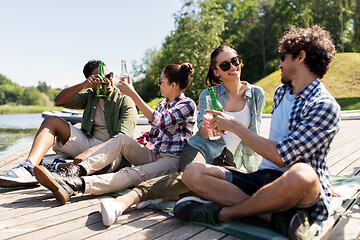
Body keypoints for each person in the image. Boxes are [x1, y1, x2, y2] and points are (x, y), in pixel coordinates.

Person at [174, 25, 341, 240]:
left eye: (283, 56)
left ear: (300, 57)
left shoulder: (324, 106)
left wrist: (234, 126)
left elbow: (281, 157)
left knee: (303, 174)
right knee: (192, 172)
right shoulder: (282, 92)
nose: (280, 64)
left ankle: (224, 213)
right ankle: (272, 216)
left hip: (294, 184)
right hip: (263, 178)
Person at [97, 45, 266, 226]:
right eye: (225, 65)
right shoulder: (208, 94)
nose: (233, 67)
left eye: (235, 61)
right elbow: (202, 131)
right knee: (191, 175)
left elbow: (254, 133)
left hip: (229, 160)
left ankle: (167, 196)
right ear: (217, 72)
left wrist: (253, 167)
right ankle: (126, 200)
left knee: (228, 186)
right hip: (199, 149)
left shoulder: (256, 94)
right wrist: (208, 128)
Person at [32, 63, 197, 212]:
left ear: (173, 85)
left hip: (171, 161)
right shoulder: (162, 104)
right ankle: (76, 171)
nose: (158, 84)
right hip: (154, 155)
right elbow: (154, 132)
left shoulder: (188, 104)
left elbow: (160, 120)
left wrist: (132, 94)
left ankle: (76, 185)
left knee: (132, 173)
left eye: (161, 81)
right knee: (122, 140)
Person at [0, 60, 138, 188]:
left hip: (112, 151)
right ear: (92, 81)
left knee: (100, 166)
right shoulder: (90, 95)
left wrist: (89, 152)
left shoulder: (125, 101)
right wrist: (83, 85)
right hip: (88, 142)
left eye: (109, 76)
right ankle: (29, 167)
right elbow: (59, 100)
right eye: (101, 78)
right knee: (51, 120)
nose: (107, 81)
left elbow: (122, 138)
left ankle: (59, 167)